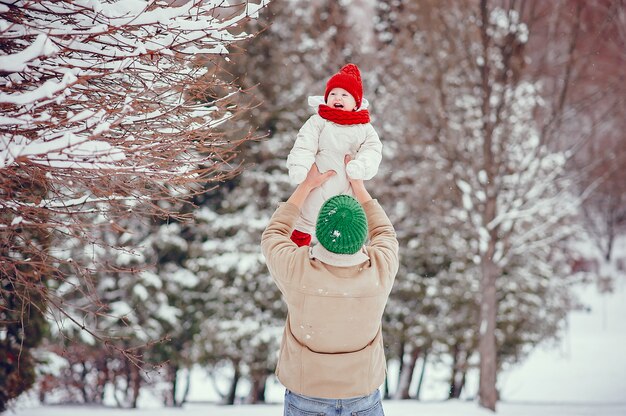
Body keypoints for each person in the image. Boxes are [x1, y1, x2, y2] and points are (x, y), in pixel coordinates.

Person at [261, 156, 399, 416]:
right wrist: (358, 186)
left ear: (320, 231)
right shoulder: (380, 268)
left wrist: (306, 186)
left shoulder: (297, 269)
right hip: (363, 396)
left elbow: (274, 234)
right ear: (361, 234)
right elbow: (385, 233)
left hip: (307, 395)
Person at [286, 63, 383, 247]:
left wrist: (361, 166)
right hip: (316, 186)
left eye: (344, 95)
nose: (337, 97)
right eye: (333, 94)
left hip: (346, 190)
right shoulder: (318, 121)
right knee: (302, 226)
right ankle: (297, 260)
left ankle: (336, 265)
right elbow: (304, 144)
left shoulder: (364, 128)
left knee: (340, 235)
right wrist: (299, 165)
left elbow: (373, 151)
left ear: (356, 102)